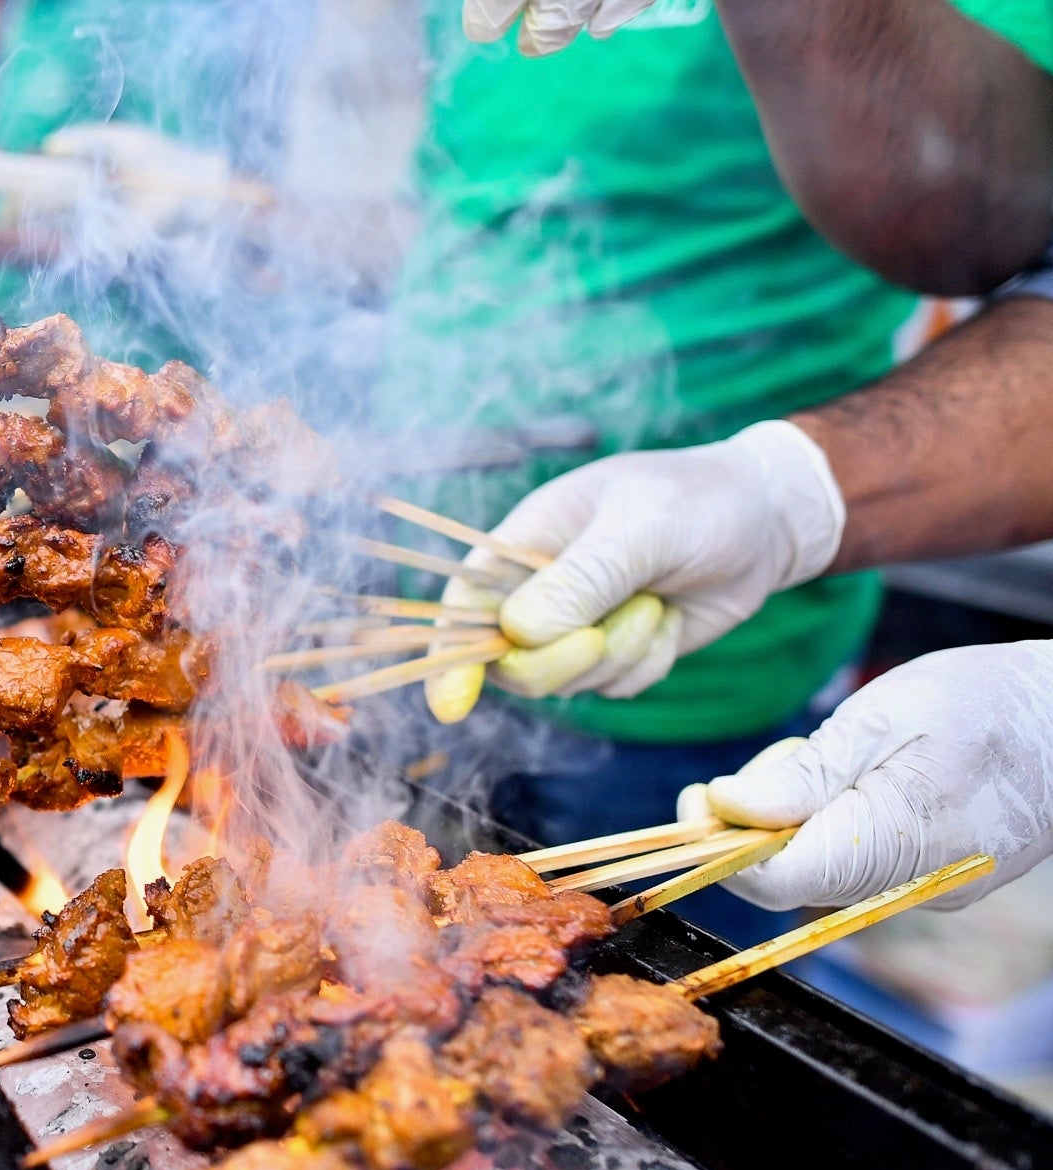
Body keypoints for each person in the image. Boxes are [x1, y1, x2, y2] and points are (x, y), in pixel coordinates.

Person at [377, 0, 1053, 941]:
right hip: (451, 618)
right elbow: (470, 205)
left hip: (716, 701)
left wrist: (793, 493)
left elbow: (983, 223)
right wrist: (774, 494)